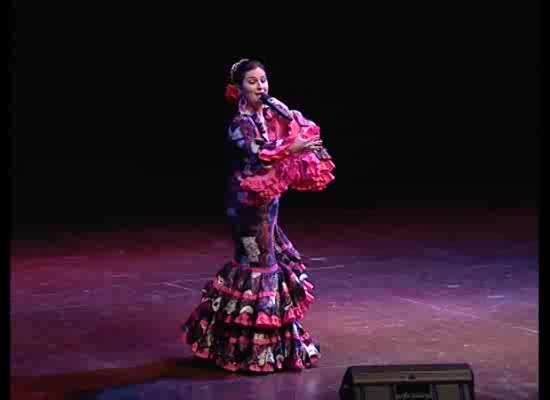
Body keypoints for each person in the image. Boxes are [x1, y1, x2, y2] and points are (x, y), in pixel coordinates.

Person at [181, 58, 334, 373]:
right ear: (239, 89)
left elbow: (289, 135)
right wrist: (293, 148)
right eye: (253, 81)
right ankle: (245, 348)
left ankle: (258, 346)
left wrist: (301, 136)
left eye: (263, 80)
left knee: (265, 263)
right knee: (257, 264)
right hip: (246, 205)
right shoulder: (240, 123)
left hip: (268, 200)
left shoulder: (270, 112)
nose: (261, 87)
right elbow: (259, 152)